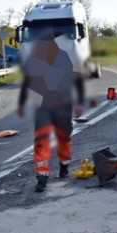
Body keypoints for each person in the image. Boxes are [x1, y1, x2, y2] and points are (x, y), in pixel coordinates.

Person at [17, 28, 85, 192]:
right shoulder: (52, 57)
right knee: (52, 138)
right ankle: (47, 175)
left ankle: (58, 170)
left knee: (55, 138)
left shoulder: (57, 57)